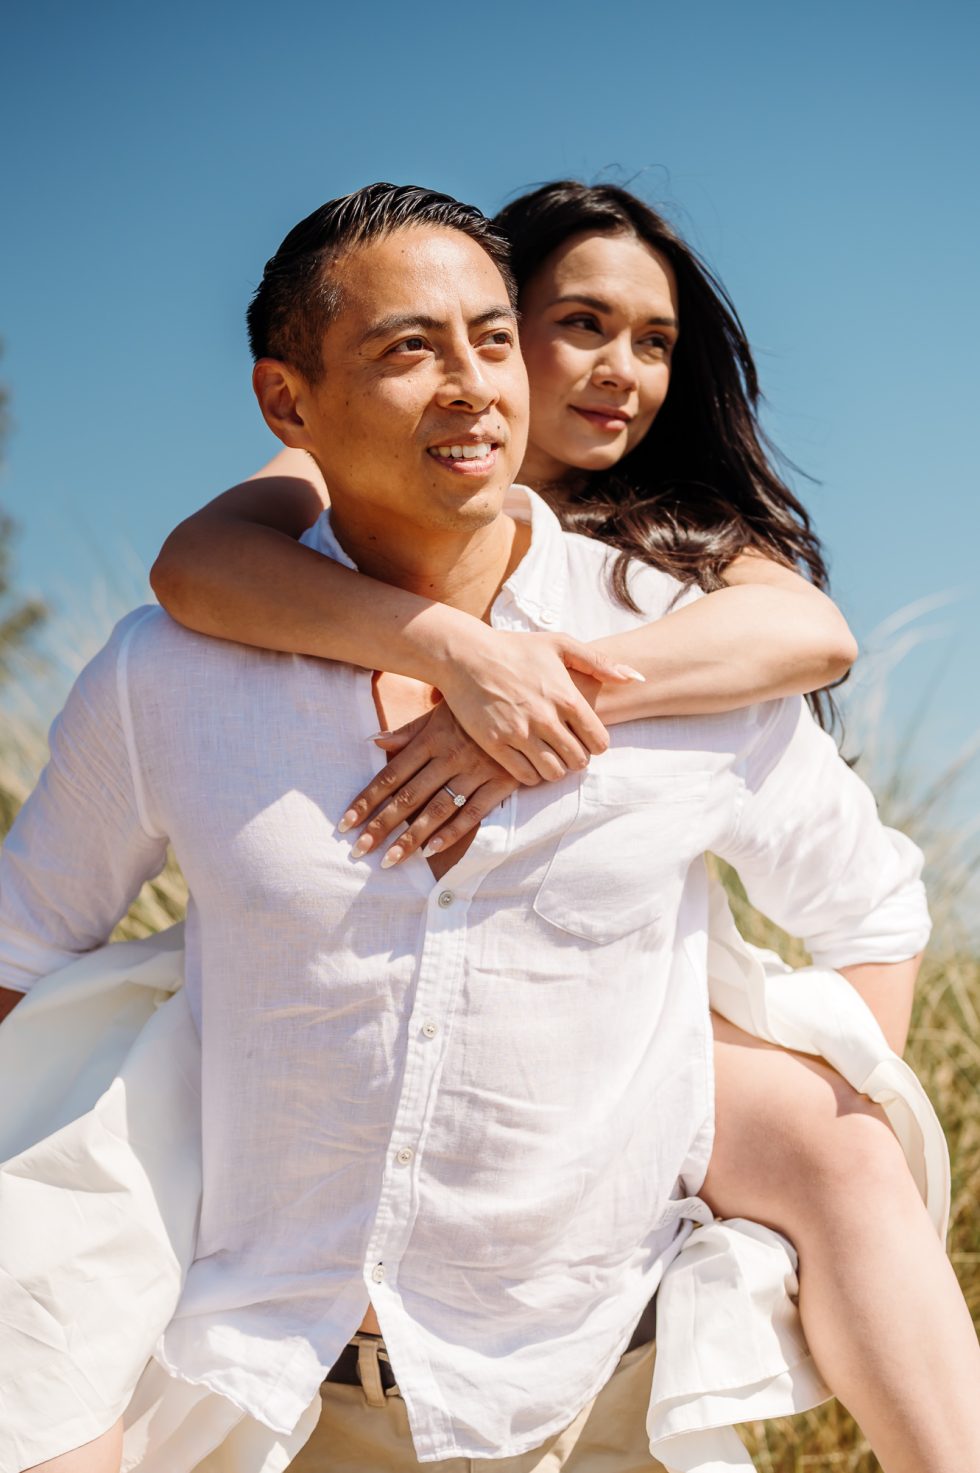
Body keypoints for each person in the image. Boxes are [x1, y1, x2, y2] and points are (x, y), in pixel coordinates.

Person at [0, 184, 973, 1473]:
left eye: (492, 341)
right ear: (290, 403)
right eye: (414, 348)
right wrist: (448, 649)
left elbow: (871, 897)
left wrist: (777, 1145)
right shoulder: (179, 665)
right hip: (275, 1396)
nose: (473, 382)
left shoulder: (683, 621)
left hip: (602, 1400)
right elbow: (26, 949)